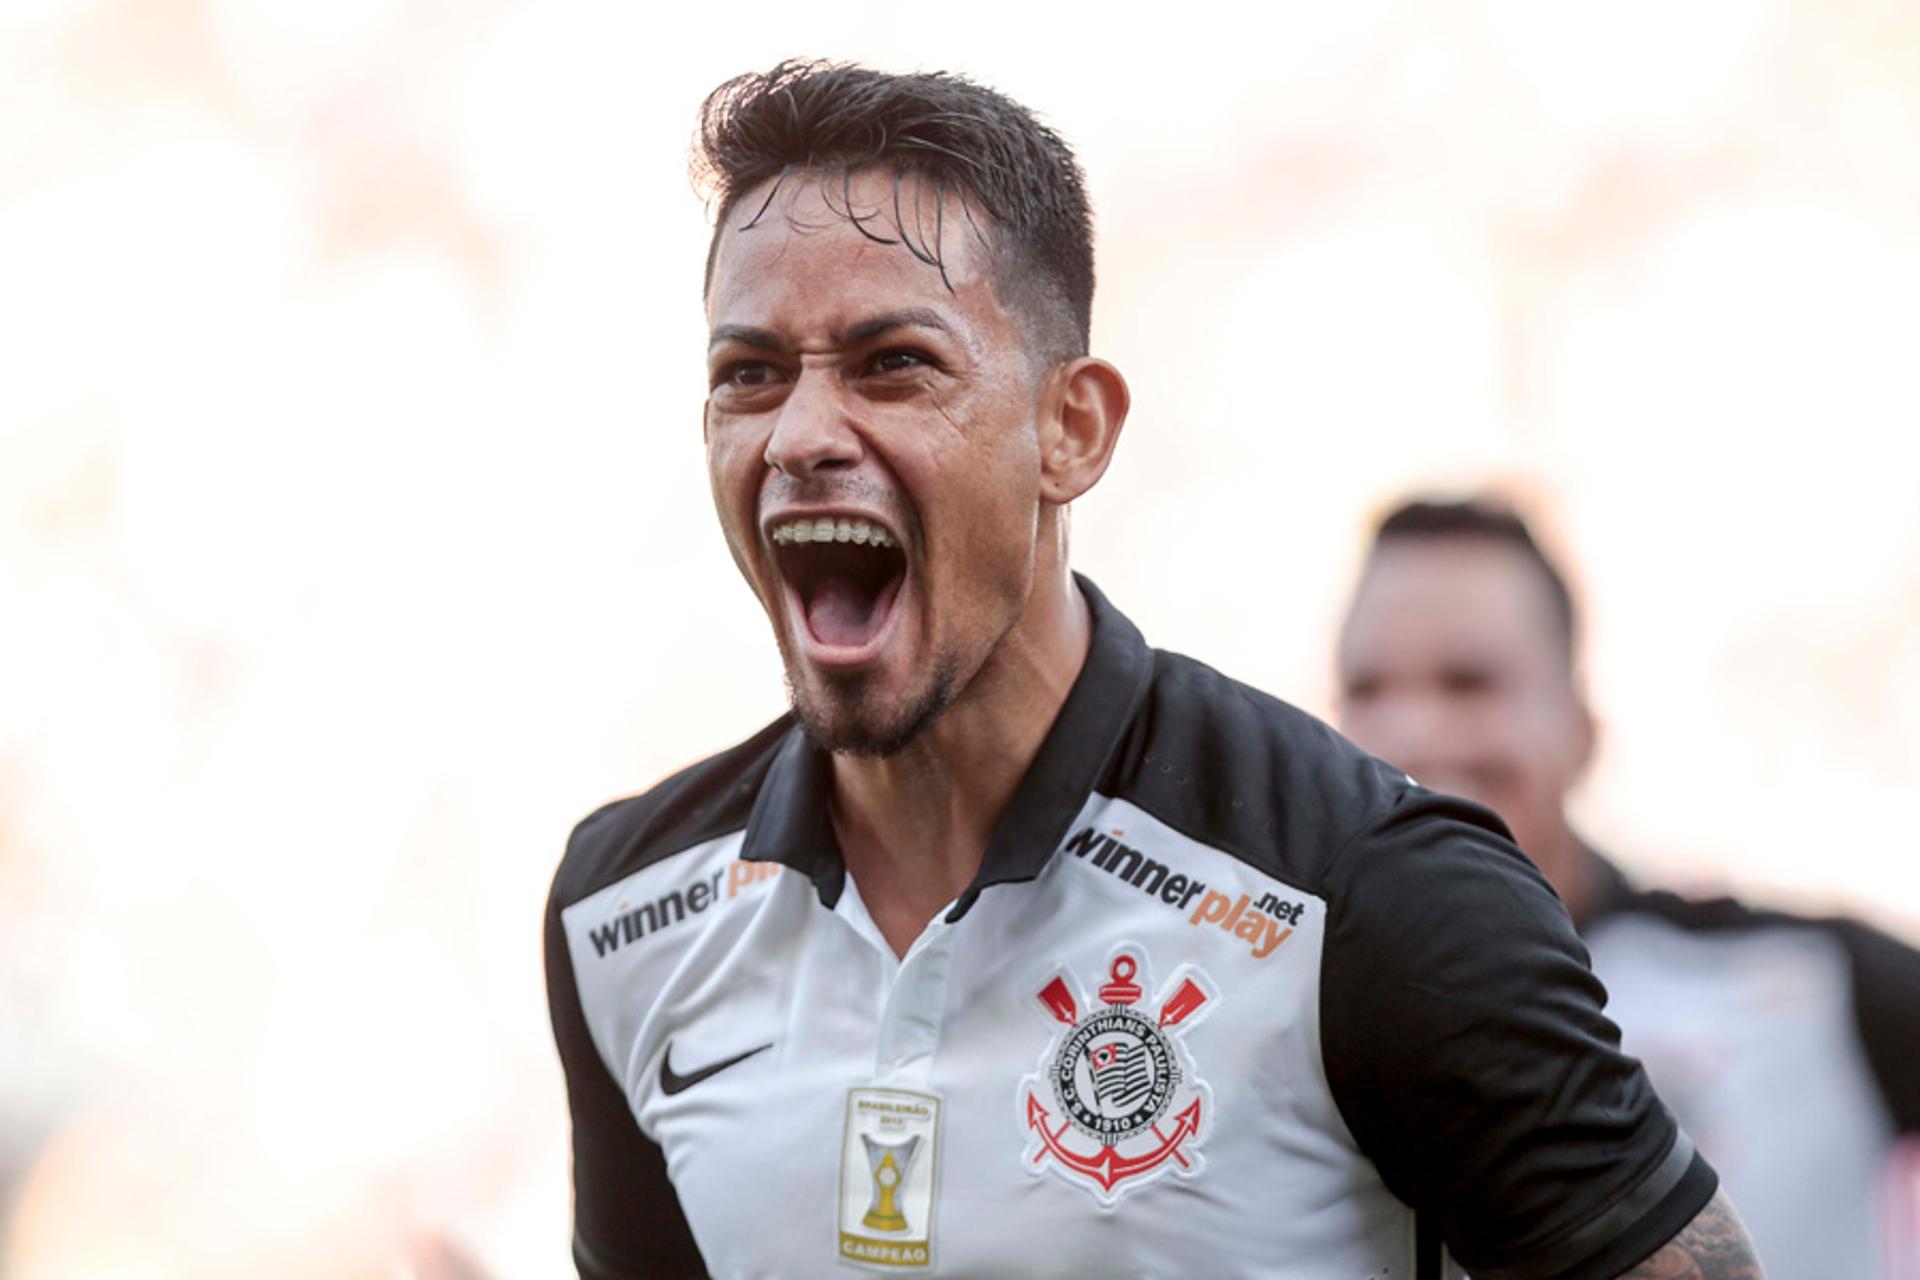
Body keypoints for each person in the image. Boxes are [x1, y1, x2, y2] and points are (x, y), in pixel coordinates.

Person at [544, 60, 1765, 1280]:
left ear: (1070, 429)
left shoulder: (1370, 896)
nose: (801, 434)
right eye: (748, 373)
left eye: (891, 362)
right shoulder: (623, 916)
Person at [1336, 496, 1920, 1280]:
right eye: (1368, 690)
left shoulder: (1815, 983)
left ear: (1580, 726)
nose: (1411, 734)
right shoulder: (1274, 1005)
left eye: (1468, 683)